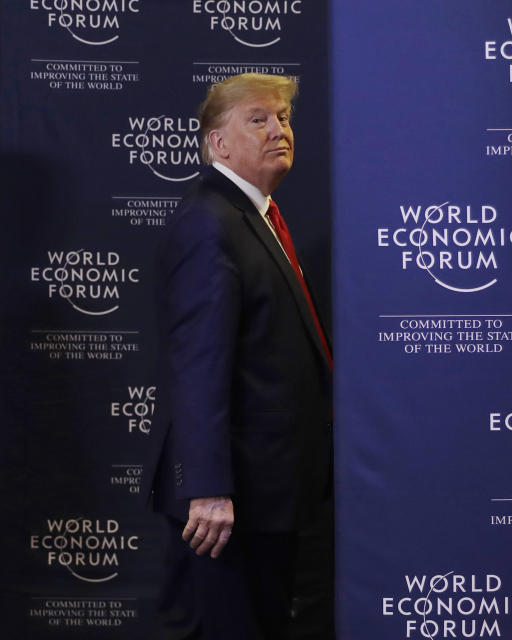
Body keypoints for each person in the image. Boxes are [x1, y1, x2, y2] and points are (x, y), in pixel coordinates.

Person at [143, 73, 333, 639]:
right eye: (259, 119)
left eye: (284, 118)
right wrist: (207, 488)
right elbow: (198, 365)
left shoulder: (258, 216)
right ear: (217, 144)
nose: (279, 129)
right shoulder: (210, 221)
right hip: (229, 507)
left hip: (271, 494)